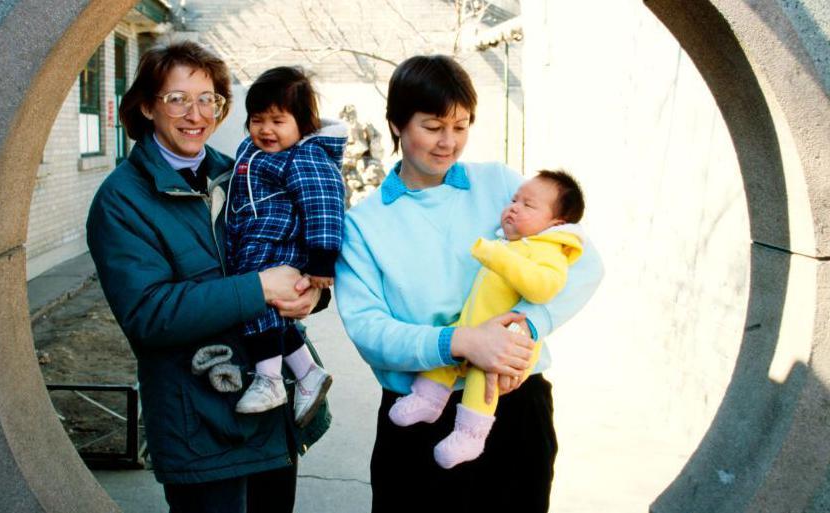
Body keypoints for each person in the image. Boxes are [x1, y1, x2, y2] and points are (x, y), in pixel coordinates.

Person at [334, 55, 604, 512]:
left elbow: (584, 260)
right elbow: (368, 329)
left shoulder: (499, 183)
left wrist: (525, 328)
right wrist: (462, 342)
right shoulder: (364, 224)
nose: (449, 143)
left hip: (514, 406)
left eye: (461, 127)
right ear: (398, 123)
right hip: (420, 412)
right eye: (434, 126)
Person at [86, 41, 330, 513]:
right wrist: (259, 289)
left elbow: (293, 252)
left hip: (272, 416)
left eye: (209, 99)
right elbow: (149, 315)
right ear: (145, 105)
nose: (195, 114)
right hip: (201, 427)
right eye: (177, 98)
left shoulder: (241, 171)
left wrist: (310, 296)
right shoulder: (122, 201)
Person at [388, 170, 586, 469]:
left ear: (555, 224)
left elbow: (543, 287)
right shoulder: (514, 242)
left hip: (507, 340)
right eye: (514, 200)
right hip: (472, 325)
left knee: (484, 378)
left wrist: (497, 256)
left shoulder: (550, 251)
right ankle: (427, 399)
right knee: (448, 350)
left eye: (528, 205)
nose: (514, 207)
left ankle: (469, 434)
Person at [225, 66, 345, 426]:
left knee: (258, 306)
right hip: (256, 242)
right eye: (257, 120)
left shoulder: (305, 156)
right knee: (273, 313)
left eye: (278, 120)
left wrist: (323, 262)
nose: (265, 129)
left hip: (278, 245)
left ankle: (270, 379)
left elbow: (324, 203)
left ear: (303, 124)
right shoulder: (253, 149)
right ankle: (307, 371)